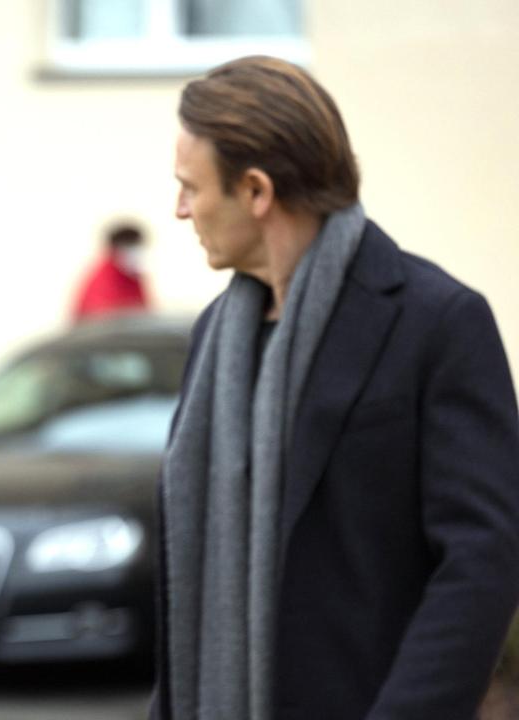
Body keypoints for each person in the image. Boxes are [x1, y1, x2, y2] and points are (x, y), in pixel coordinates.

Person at [155, 56, 519, 720]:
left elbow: (481, 562)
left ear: (257, 192)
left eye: (191, 187)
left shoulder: (437, 322)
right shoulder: (214, 338)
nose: (180, 210)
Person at [71, 222, 150, 320]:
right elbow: (100, 317)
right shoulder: (103, 277)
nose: (135, 251)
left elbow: (144, 309)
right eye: (129, 245)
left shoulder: (133, 276)